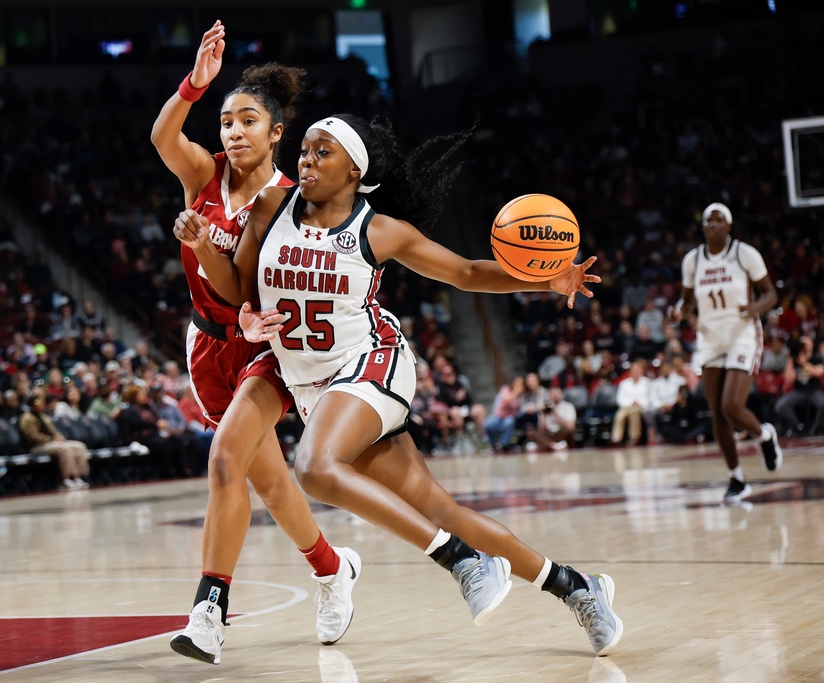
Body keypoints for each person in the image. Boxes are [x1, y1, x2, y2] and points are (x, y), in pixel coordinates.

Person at [176, 112, 623, 656]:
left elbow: (465, 273)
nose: (307, 160)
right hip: (300, 374)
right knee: (440, 510)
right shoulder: (271, 208)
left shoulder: (378, 230)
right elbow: (239, 287)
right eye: (306, 151)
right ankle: (579, 588)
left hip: (369, 361)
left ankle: (461, 562)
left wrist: (543, 278)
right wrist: (204, 251)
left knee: (314, 467)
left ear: (354, 171)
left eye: (323, 153)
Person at [152, 21, 358, 664]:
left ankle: (209, 611)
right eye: (226, 121)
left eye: (248, 121)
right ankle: (331, 568)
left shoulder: (288, 201)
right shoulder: (202, 174)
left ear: (276, 134)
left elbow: (250, 281)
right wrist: (194, 84)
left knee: (224, 465)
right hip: (209, 346)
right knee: (267, 481)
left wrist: (227, 284)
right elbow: (162, 135)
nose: (234, 131)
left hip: (266, 348)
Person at [671, 203, 782, 504]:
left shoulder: (744, 254)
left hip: (742, 333)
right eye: (708, 221)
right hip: (709, 337)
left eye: (719, 221)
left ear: (729, 226)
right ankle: (737, 478)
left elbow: (771, 293)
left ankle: (765, 435)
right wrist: (678, 313)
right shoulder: (693, 260)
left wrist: (755, 308)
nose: (712, 225)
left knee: (732, 406)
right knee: (717, 414)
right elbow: (687, 303)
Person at [18, 391, 90, 489]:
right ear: (33, 403)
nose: (43, 404)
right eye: (40, 402)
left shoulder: (43, 416)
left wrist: (60, 438)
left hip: (51, 443)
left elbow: (54, 431)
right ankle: (66, 480)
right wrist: (52, 439)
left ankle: (78, 477)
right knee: (64, 449)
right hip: (36, 446)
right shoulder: (27, 418)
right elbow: (33, 437)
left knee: (79, 446)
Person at [774, 335, 824, 436]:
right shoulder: (794, 360)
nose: (806, 345)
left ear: (812, 344)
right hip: (798, 391)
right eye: (803, 343)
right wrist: (791, 359)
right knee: (781, 406)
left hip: (813, 390)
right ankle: (798, 426)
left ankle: (816, 429)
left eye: (808, 342)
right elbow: (788, 380)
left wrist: (804, 363)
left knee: (822, 404)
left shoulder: (816, 357)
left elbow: (819, 372)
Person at [609, 360, 650, 447]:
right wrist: (631, 403)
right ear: (630, 372)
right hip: (626, 406)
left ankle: (634, 438)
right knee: (619, 415)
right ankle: (616, 438)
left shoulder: (647, 383)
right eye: (634, 371)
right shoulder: (624, 383)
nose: (635, 373)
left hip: (640, 406)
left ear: (641, 371)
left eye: (637, 371)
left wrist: (638, 403)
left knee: (634, 413)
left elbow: (649, 397)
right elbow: (620, 399)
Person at [525, 386, 577, 452]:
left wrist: (555, 413)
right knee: (531, 432)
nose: (555, 395)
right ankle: (553, 446)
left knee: (569, 431)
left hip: (562, 434)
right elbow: (542, 430)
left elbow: (571, 427)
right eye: (553, 393)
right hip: (549, 435)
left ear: (561, 393)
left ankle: (547, 445)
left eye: (557, 392)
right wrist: (542, 415)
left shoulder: (568, 406)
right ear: (549, 395)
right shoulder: (546, 407)